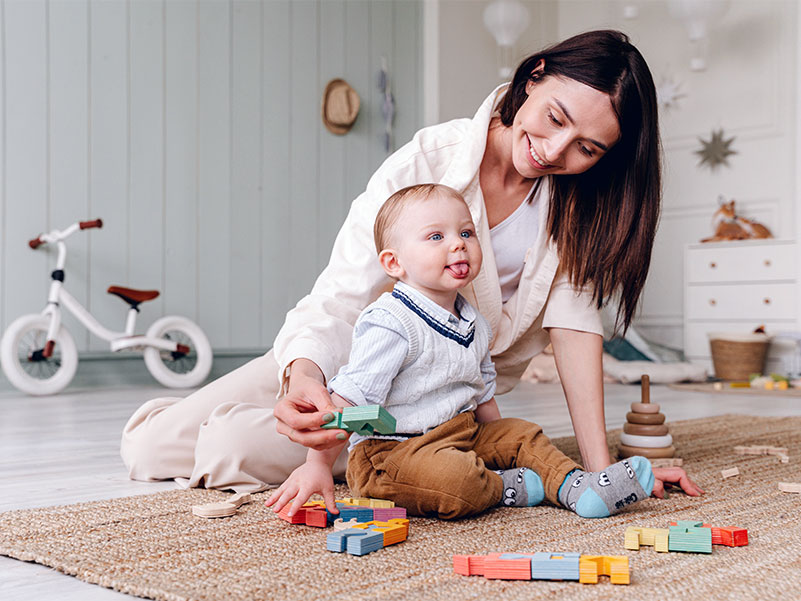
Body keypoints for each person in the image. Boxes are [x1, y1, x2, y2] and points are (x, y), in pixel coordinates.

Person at [120, 30, 702, 499]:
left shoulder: (578, 210)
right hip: (347, 357)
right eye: (554, 118)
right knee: (147, 448)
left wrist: (601, 472)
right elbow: (341, 297)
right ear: (535, 76)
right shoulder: (430, 159)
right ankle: (243, 412)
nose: (554, 150)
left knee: (228, 447)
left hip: (432, 406)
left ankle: (389, 457)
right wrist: (302, 377)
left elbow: (575, 332)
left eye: (586, 148)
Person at [266, 183, 657, 520]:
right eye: (436, 237)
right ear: (394, 262)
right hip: (391, 455)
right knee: (457, 479)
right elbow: (350, 401)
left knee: (524, 434)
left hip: (459, 433)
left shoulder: (474, 320)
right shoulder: (391, 322)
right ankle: (502, 487)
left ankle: (579, 488)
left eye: (467, 233)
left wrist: (502, 446)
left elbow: (481, 392)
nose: (458, 244)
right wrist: (316, 465)